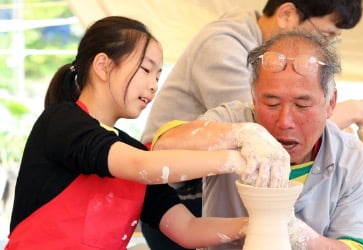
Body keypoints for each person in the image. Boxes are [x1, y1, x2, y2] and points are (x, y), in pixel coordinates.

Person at [4, 16, 287, 250]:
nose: (153, 85)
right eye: (146, 70)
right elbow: (141, 167)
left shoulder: (134, 151)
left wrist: (258, 224)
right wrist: (236, 158)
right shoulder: (62, 121)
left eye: (158, 76)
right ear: (103, 65)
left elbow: (188, 229)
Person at [140, 1, 363, 248]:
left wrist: (303, 237)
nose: (285, 121)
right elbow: (162, 148)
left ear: (331, 103)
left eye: (302, 105)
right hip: (176, 204)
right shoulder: (234, 116)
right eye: (271, 104)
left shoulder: (355, 161)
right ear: (253, 98)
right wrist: (241, 136)